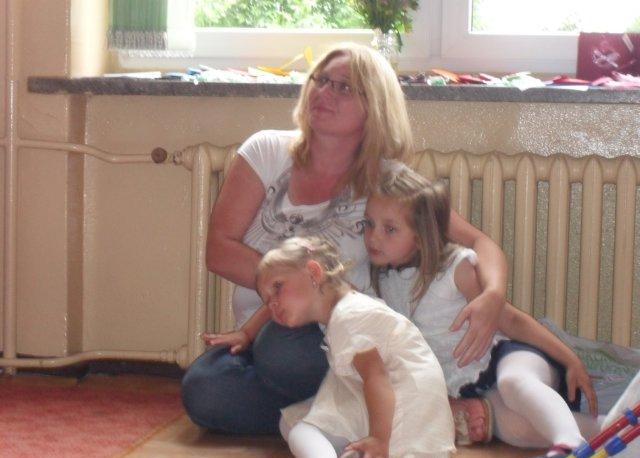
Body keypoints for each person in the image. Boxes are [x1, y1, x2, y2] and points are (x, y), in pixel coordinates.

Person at [181, 42, 509, 436]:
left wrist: (493, 295)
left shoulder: (386, 182)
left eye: (343, 87)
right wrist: (293, 289)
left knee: (281, 355)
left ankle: (349, 414)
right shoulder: (266, 150)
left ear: (375, 107)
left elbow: (479, 243)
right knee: (203, 390)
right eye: (320, 80)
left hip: (335, 339)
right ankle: (373, 414)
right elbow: (219, 251)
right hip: (258, 333)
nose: (324, 92)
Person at [364, 166, 602, 458]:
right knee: (513, 429)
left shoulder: (455, 269)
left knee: (514, 383)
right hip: (473, 384)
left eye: (389, 229)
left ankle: (570, 445)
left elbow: (509, 319)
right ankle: (612, 429)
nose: (373, 237)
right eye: (368, 224)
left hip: (508, 356)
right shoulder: (384, 284)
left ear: (420, 238)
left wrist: (570, 359)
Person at [257, 237, 455, 458]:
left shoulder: (349, 317)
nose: (273, 304)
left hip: (404, 412)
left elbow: (376, 378)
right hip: (407, 409)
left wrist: (379, 440)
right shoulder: (349, 310)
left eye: (277, 287)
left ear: (313, 272)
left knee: (302, 431)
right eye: (267, 300)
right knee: (292, 421)